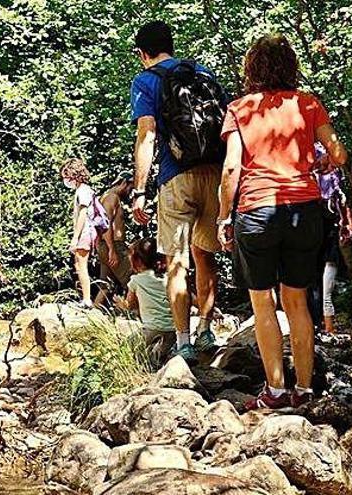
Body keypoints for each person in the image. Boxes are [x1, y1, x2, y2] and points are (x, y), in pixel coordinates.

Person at [217, 34, 348, 410]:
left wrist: (224, 216)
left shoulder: (240, 108)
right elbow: (337, 152)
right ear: (291, 66)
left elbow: (231, 168)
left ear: (252, 68)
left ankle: (274, 391)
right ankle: (304, 389)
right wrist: (321, 162)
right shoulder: (307, 104)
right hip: (303, 211)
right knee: (297, 302)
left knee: (263, 303)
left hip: (256, 211)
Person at [129, 21, 226, 360]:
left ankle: (183, 341)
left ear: (143, 53)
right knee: (205, 256)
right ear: (171, 45)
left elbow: (147, 135)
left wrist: (140, 190)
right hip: (215, 175)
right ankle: (206, 330)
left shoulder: (146, 80)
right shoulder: (204, 74)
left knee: (176, 262)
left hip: (176, 177)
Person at [114, 238, 176, 365]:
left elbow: (129, 306)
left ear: (136, 261)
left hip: (151, 329)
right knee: (158, 357)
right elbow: (188, 299)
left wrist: (120, 303)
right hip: (172, 330)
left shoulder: (136, 281)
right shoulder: (169, 279)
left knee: (124, 349)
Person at [314, 157, 352, 334]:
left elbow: (342, 203)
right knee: (315, 287)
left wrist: (347, 222)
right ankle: (318, 327)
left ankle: (328, 328)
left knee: (326, 288)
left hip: (329, 239)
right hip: (314, 238)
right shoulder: (311, 179)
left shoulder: (336, 180)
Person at [93, 172, 134, 309]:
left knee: (106, 285)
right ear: (123, 183)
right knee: (132, 279)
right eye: (130, 187)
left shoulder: (105, 197)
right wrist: (112, 250)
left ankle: (92, 313)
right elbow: (105, 224)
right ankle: (134, 314)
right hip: (113, 246)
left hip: (105, 246)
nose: (130, 192)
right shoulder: (112, 198)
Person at [61, 158, 98, 308]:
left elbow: (82, 215)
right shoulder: (84, 190)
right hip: (87, 232)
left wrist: (75, 238)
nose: (65, 180)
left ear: (74, 175)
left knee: (81, 265)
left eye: (66, 176)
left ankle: (87, 299)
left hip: (85, 233)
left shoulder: (82, 191)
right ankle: (85, 298)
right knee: (78, 264)